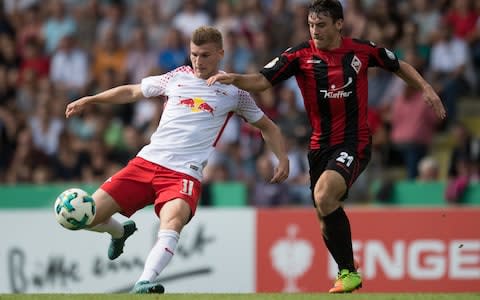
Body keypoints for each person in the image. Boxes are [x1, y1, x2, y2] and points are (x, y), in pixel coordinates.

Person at [207, 0, 446, 293]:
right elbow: (262, 81)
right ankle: (347, 272)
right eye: (311, 25)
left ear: (339, 24)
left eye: (321, 25)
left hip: (354, 141)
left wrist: (426, 88)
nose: (315, 30)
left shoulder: (361, 50)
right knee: (323, 208)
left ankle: (348, 271)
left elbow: (399, 65)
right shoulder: (299, 55)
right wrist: (235, 78)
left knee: (323, 194)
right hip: (320, 146)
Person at [65, 26, 289, 294]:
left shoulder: (235, 94)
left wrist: (283, 159)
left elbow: (269, 127)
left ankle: (144, 281)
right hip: (145, 163)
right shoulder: (176, 77)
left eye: (205, 55)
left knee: (172, 223)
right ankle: (118, 232)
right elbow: (133, 91)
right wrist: (91, 100)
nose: (198, 61)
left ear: (220, 54)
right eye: (194, 54)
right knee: (85, 218)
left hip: (183, 174)